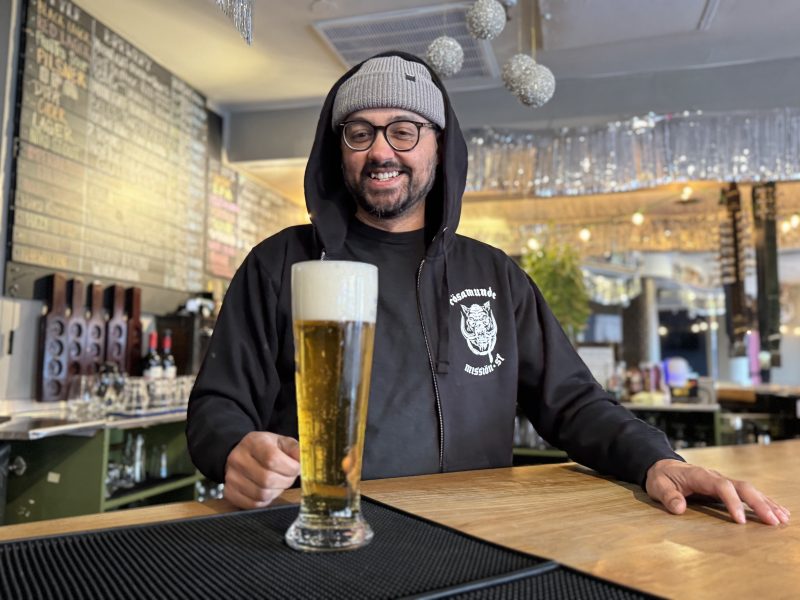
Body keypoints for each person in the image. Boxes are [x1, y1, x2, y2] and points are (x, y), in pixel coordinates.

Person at [187, 51, 790, 527]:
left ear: (439, 144)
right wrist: (234, 449)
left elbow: (573, 402)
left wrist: (655, 460)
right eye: (359, 133)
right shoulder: (280, 264)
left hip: (474, 535)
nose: (381, 151)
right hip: (321, 532)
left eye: (404, 131)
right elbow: (217, 405)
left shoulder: (495, 275)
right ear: (337, 148)